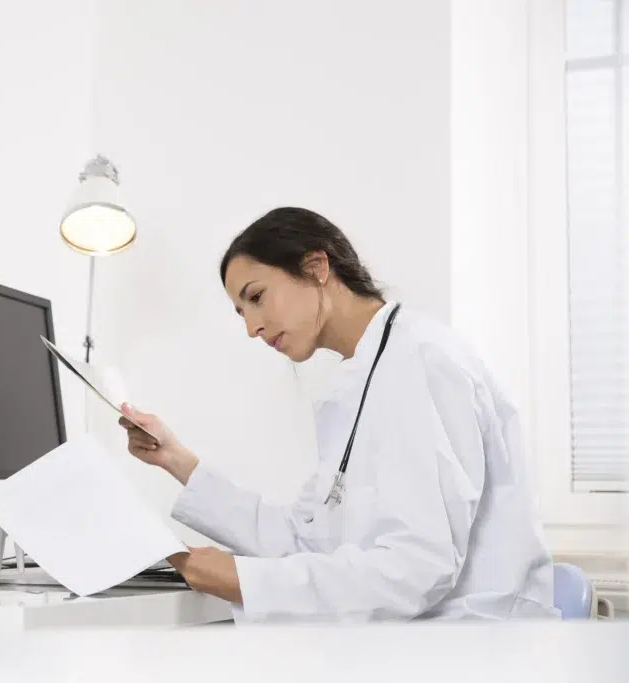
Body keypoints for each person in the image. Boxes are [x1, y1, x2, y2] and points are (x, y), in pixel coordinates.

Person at [119, 207, 559, 622]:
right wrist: (175, 460)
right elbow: (304, 539)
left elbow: (417, 567)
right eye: (241, 312)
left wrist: (245, 580)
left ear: (316, 268)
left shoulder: (419, 361)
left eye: (256, 297)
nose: (251, 327)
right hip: (419, 637)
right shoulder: (361, 385)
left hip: (476, 644)